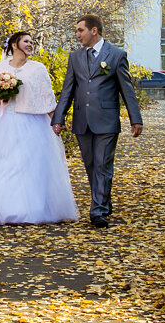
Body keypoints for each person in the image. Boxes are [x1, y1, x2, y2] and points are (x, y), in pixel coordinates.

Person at [0, 31, 78, 225]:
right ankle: (1, 207)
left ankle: (30, 208)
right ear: (15, 45)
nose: (30, 45)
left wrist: (56, 120)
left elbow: (47, 97)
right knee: (4, 163)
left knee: (29, 165)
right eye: (26, 41)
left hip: (32, 123)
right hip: (3, 122)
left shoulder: (38, 69)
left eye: (32, 42)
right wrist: (1, 92)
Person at [51, 14, 143, 228]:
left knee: (103, 165)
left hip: (106, 120)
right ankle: (103, 201)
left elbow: (126, 90)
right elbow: (68, 90)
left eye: (80, 30)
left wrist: (135, 119)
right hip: (82, 120)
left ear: (94, 30)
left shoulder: (116, 55)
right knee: (91, 165)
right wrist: (59, 117)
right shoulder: (75, 57)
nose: (77, 35)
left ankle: (98, 211)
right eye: (76, 31)